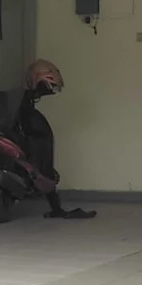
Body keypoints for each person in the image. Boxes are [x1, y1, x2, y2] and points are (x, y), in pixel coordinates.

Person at [18, 60, 95, 219]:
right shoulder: (25, 106)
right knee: (45, 166)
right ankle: (55, 206)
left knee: (44, 167)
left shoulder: (23, 104)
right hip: (34, 138)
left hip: (30, 137)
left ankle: (53, 203)